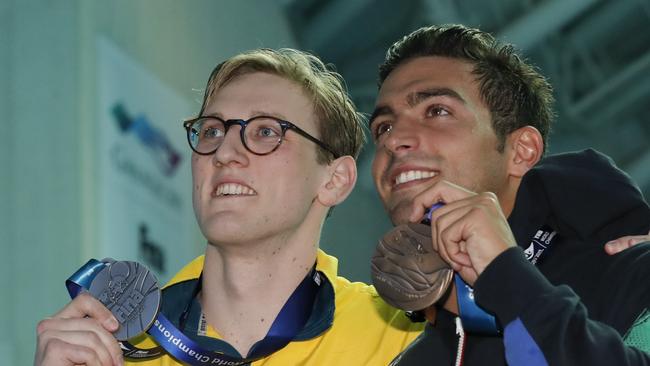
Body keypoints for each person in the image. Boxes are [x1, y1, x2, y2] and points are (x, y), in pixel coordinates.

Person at [34, 48, 422, 366]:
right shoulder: (117, 349)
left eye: (267, 131)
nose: (225, 151)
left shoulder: (403, 340)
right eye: (212, 130)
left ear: (335, 179)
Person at [368, 24, 650, 365]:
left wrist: (505, 275)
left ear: (521, 152)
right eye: (383, 127)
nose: (394, 140)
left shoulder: (630, 270)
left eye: (437, 111)